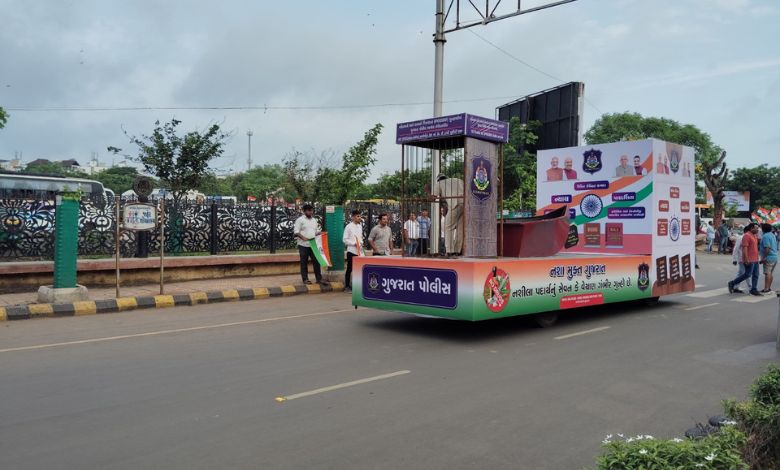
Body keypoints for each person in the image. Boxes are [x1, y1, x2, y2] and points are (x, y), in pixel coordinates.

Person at [431, 174, 464, 256]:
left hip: (455, 204)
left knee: (448, 227)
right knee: (460, 228)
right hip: (465, 204)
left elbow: (433, 197)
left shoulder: (439, 183)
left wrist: (429, 192)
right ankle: (458, 250)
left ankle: (450, 251)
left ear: (438, 180)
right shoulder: (458, 180)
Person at [728, 223, 761, 296]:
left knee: (756, 275)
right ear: (751, 228)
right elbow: (744, 249)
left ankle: (753, 289)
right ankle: (732, 283)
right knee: (747, 274)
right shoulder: (746, 236)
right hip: (749, 259)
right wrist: (746, 259)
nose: (757, 229)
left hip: (755, 259)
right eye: (756, 228)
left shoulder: (754, 236)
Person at [293, 204, 322, 285]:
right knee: (304, 262)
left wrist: (319, 233)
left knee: (316, 261)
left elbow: (315, 232)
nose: (310, 212)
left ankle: (319, 279)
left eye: (311, 210)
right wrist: (303, 237)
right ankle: (305, 279)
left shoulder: (314, 220)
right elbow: (296, 232)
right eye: (309, 210)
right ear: (304, 211)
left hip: (313, 244)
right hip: (303, 245)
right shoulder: (300, 220)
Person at [342, 209, 363, 293]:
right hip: (351, 251)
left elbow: (360, 238)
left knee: (358, 269)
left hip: (359, 251)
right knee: (350, 269)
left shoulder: (360, 226)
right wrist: (353, 243)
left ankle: (357, 286)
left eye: (360, 216)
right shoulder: (348, 226)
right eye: (358, 216)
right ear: (353, 217)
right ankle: (347, 286)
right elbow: (344, 239)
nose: (359, 218)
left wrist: (360, 243)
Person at [731, 226, 750, 293]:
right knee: (747, 273)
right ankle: (751, 288)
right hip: (742, 259)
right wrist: (734, 259)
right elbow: (736, 249)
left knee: (740, 273)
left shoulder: (750, 237)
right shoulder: (741, 238)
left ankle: (734, 286)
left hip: (748, 258)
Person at [759, 223, 777, 293]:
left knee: (767, 273)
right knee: (770, 273)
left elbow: (767, 248)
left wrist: (764, 258)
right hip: (774, 257)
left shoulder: (765, 236)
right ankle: (768, 288)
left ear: (763, 229)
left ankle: (766, 288)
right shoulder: (772, 235)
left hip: (769, 257)